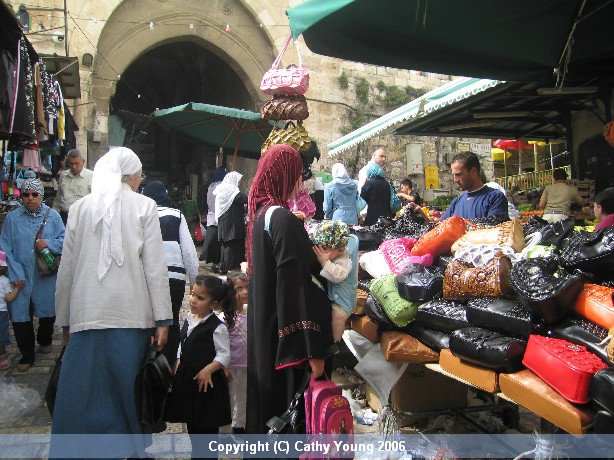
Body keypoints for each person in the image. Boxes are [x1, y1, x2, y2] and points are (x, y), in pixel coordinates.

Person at [52, 147, 172, 441]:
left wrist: (64, 320)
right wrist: (163, 319)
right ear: (130, 176)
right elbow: (155, 268)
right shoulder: (145, 206)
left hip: (84, 314)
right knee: (127, 391)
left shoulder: (80, 208)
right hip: (131, 316)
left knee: (82, 392)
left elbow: (66, 270)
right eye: (138, 176)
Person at [246, 144, 333, 433]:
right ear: (284, 175)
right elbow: (294, 286)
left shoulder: (263, 214)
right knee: (288, 415)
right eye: (296, 174)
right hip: (287, 340)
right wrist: (312, 351)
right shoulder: (281, 219)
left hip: (269, 329)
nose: (301, 181)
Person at [0, 179, 64, 372]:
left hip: (44, 275)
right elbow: (5, 247)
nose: (30, 199)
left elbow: (65, 239)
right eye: (26, 194)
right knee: (20, 315)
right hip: (19, 275)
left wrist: (49, 243)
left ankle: (44, 339)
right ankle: (27, 353)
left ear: (41, 196)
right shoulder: (12, 219)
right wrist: (15, 272)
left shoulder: (52, 216)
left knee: (47, 312)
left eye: (34, 195)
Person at [169, 275, 231, 450]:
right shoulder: (190, 318)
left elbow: (224, 354)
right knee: (193, 429)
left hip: (207, 387)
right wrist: (180, 359)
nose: (193, 300)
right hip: (189, 382)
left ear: (214, 303)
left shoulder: (217, 327)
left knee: (206, 433)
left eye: (200, 298)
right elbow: (184, 342)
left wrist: (208, 369)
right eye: (193, 294)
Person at [142, 181, 198, 366]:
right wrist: (194, 280)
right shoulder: (176, 215)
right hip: (173, 277)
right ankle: (168, 365)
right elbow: (189, 252)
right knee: (171, 318)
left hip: (145, 277)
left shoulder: (139, 213)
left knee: (146, 319)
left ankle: (145, 365)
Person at [311, 221, 359, 342]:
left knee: (337, 318)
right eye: (319, 246)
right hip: (332, 295)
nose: (320, 251)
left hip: (343, 300)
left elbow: (338, 276)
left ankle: (335, 342)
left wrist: (325, 263)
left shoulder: (345, 260)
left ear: (340, 250)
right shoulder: (333, 253)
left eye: (325, 248)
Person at [441, 152, 509, 221]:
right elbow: (440, 227)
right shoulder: (456, 202)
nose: (455, 179)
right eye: (453, 175)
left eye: (459, 174)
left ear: (473, 171)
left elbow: (495, 227)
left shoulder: (495, 198)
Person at [223, 272, 248, 435]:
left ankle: (239, 426)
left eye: (247, 287)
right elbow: (222, 344)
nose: (245, 292)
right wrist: (224, 366)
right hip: (231, 366)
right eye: (240, 288)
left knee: (243, 397)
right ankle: (224, 429)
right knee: (229, 399)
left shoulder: (251, 312)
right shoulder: (226, 317)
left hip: (246, 364)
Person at [215, 171, 247, 274]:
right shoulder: (230, 190)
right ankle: (230, 272)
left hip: (226, 226)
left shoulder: (224, 189)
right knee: (232, 251)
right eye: (238, 181)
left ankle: (224, 270)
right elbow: (246, 199)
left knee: (226, 249)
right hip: (232, 227)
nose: (238, 184)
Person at [53, 149, 93, 224]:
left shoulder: (91, 176)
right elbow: (58, 198)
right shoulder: (63, 175)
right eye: (71, 164)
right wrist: (54, 215)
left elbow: (96, 200)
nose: (74, 166)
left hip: (82, 218)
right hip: (64, 216)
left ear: (83, 161)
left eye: (77, 163)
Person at [200, 166, 226, 265]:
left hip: (211, 215)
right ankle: (215, 259)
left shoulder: (211, 186)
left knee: (211, 238)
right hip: (218, 215)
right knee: (216, 240)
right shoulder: (220, 186)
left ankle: (210, 258)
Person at [0, 250, 21, 371]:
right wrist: (17, 288)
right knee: (1, 337)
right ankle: (2, 357)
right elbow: (9, 298)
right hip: (1, 312)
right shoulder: (4, 281)